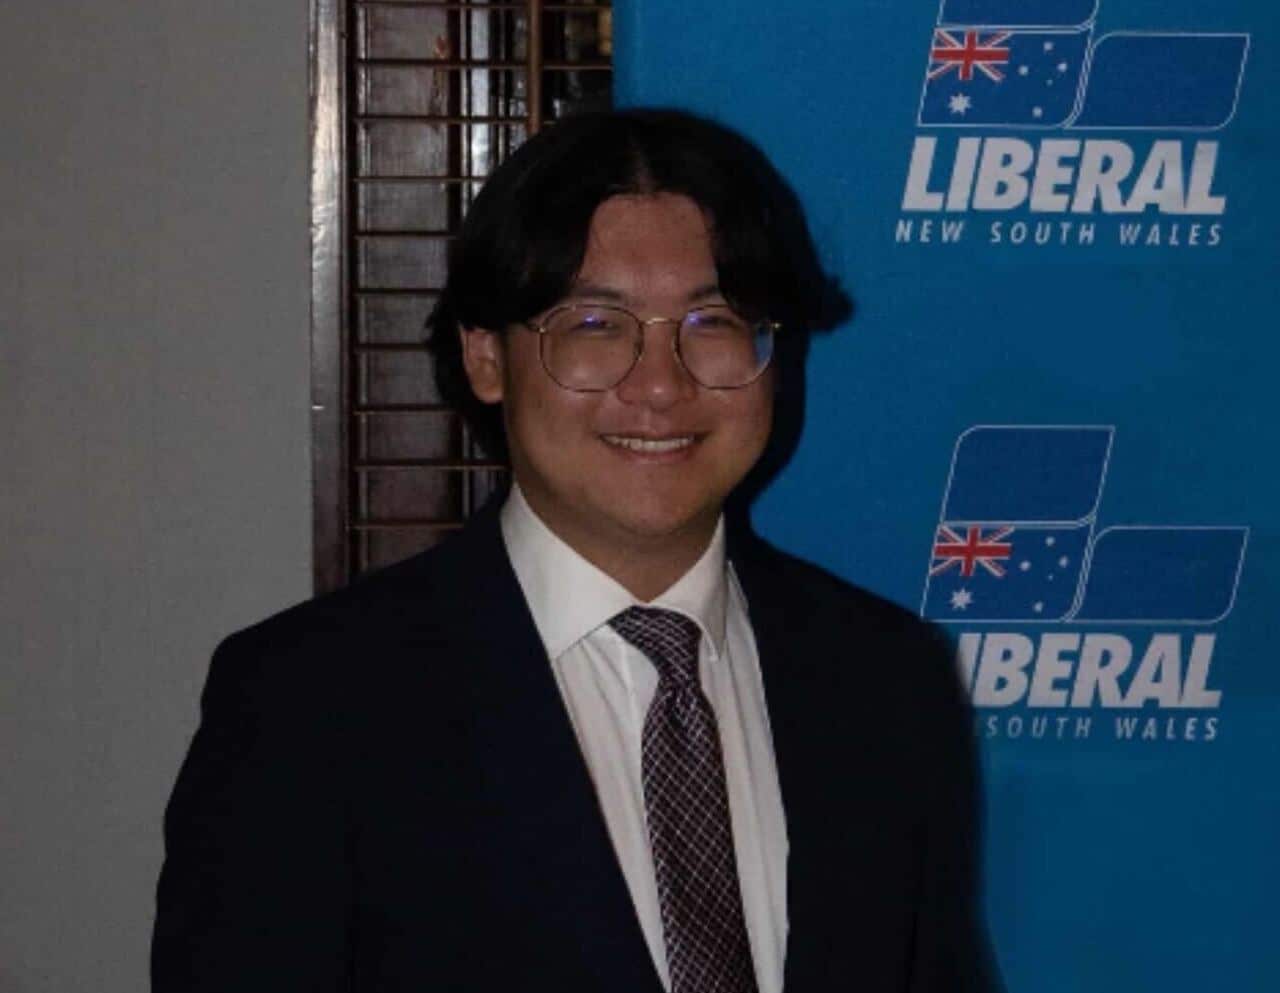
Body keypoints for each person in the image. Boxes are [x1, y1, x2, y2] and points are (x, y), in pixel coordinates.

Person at [152, 108, 993, 992]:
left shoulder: (885, 682)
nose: (660, 385)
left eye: (712, 321)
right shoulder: (310, 706)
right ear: (485, 355)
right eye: (595, 324)